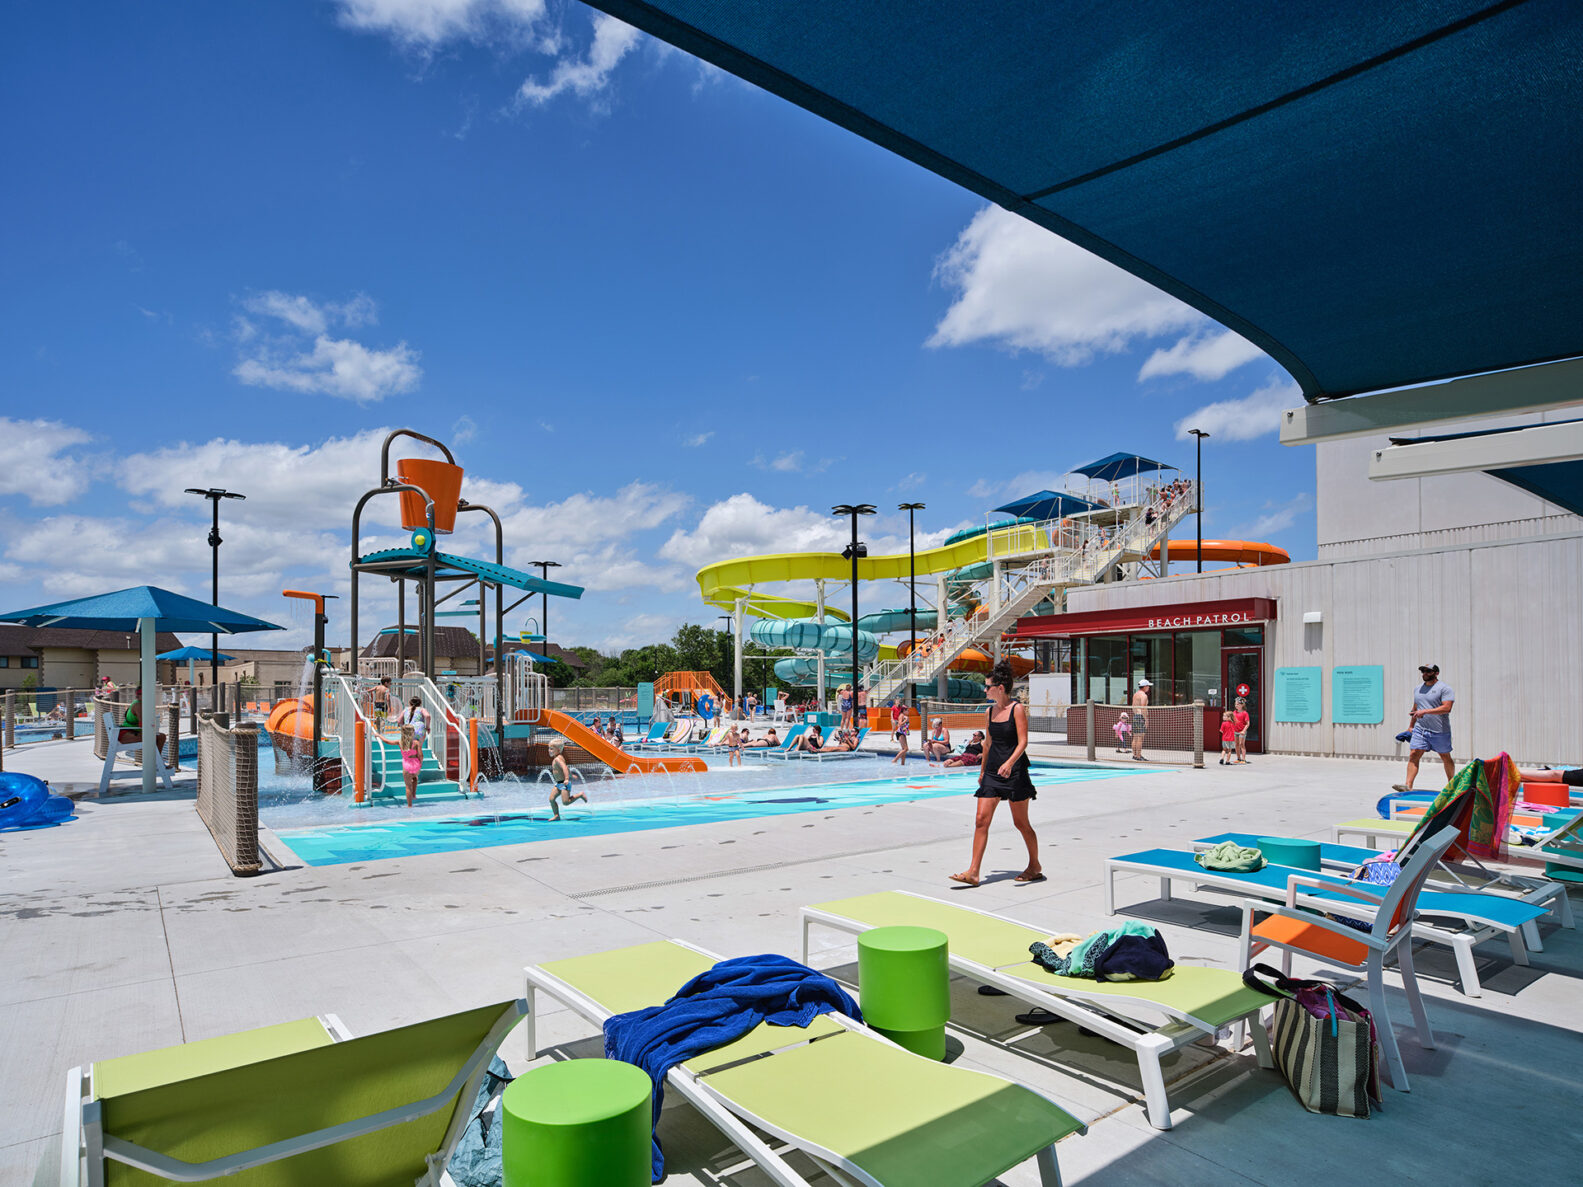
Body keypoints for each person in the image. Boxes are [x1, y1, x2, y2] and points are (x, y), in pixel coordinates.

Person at [951, 661, 1040, 887]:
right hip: (992, 772)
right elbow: (988, 744)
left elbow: (1023, 742)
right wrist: (982, 771)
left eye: (988, 686)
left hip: (1015, 771)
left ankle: (1034, 866)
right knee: (981, 820)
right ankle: (973, 872)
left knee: (1021, 823)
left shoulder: (1017, 709)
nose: (985, 690)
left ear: (1000, 688)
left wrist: (1010, 763)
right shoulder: (989, 711)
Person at [1394, 664, 1455, 792]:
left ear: (1436, 673)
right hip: (1420, 729)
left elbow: (1447, 708)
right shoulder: (1417, 689)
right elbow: (1416, 708)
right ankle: (1407, 786)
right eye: (1423, 671)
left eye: (1428, 671)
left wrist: (1425, 712)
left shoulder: (1444, 689)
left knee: (1445, 756)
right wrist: (1411, 726)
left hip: (1439, 730)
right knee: (1414, 754)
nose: (1425, 673)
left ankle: (1452, 785)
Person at [398, 695, 430, 808]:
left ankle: (410, 768)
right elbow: (427, 716)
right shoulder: (421, 709)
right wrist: (428, 726)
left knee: (409, 751)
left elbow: (398, 721)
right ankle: (414, 792)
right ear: (420, 703)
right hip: (420, 729)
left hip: (408, 729)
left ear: (410, 703)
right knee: (417, 751)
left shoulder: (406, 709)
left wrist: (402, 727)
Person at [117, 686, 167, 753]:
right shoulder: (138, 705)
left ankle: (155, 760)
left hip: (130, 732)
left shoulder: (139, 703)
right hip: (126, 734)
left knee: (161, 737)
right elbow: (143, 724)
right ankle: (153, 760)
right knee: (157, 738)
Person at [547, 740, 587, 820]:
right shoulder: (556, 758)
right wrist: (571, 775)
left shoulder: (558, 759)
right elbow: (567, 768)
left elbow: (564, 767)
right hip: (559, 783)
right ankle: (556, 815)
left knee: (566, 802)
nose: (549, 750)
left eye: (552, 749)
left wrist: (567, 779)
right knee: (551, 799)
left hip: (564, 783)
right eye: (549, 748)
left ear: (558, 750)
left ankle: (580, 795)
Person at [1130, 679, 1151, 761]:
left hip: (1135, 716)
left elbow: (1133, 706)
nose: (1149, 687)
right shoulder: (1144, 696)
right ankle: (1138, 756)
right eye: (1148, 686)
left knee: (1135, 737)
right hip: (1140, 717)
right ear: (1145, 686)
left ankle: (1135, 755)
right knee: (1140, 738)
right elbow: (1143, 708)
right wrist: (1146, 719)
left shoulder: (1135, 694)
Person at [1232, 697, 1251, 764]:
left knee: (1241, 744)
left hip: (1242, 731)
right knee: (1236, 744)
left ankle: (1243, 759)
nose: (1236, 705)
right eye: (1235, 704)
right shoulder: (1234, 712)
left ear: (1242, 705)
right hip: (1235, 731)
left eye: (1237, 704)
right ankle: (1238, 758)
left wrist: (1244, 730)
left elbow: (1247, 723)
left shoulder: (1245, 713)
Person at [890, 700, 909, 766]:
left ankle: (902, 764)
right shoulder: (902, 715)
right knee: (906, 749)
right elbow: (899, 724)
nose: (908, 711)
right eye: (907, 710)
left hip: (903, 732)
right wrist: (905, 720)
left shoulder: (903, 715)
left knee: (904, 749)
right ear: (904, 710)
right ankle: (895, 760)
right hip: (900, 733)